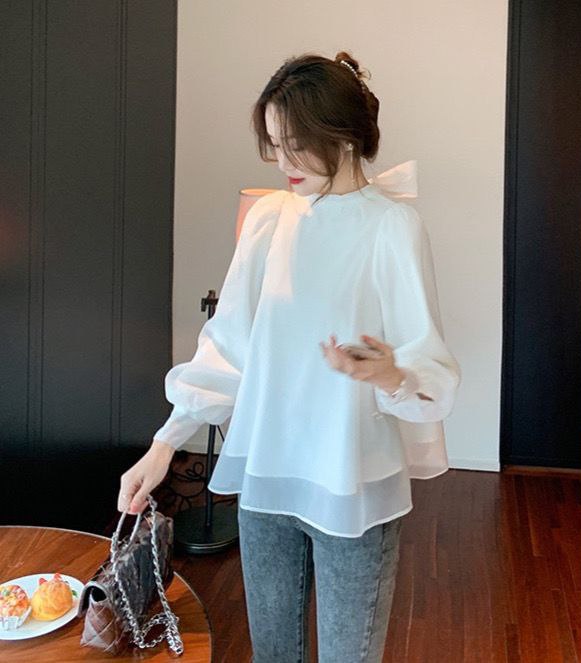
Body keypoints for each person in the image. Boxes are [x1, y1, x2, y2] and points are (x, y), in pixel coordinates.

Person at [117, 51, 461, 663]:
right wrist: (164, 445)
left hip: (352, 482)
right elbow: (228, 344)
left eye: (297, 145)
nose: (283, 164)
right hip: (268, 476)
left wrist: (389, 373)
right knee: (273, 654)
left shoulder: (393, 226)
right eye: (274, 145)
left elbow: (430, 371)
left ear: (345, 137)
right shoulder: (269, 220)